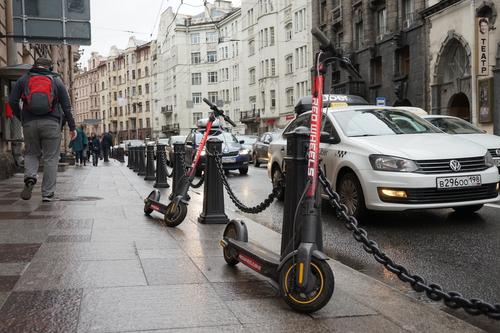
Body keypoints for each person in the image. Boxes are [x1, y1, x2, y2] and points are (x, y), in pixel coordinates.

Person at [9, 57, 76, 202]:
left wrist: (22, 117)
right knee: (51, 158)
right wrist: (72, 127)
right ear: (50, 67)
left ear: (34, 66)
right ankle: (47, 193)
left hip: (29, 123)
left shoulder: (24, 79)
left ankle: (30, 178)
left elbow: (12, 101)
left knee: (31, 153)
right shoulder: (56, 81)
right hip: (52, 124)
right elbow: (66, 107)